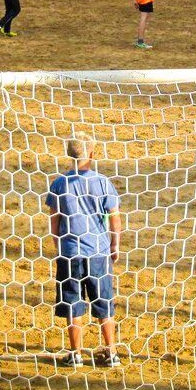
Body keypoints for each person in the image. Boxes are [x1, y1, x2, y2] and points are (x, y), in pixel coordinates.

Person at [45, 133, 122, 368]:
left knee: (72, 303)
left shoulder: (59, 183)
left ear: (69, 154)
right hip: (98, 253)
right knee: (104, 302)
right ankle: (111, 353)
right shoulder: (102, 182)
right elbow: (114, 217)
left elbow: (54, 219)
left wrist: (58, 244)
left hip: (70, 254)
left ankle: (75, 353)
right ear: (92, 153)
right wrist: (114, 244)